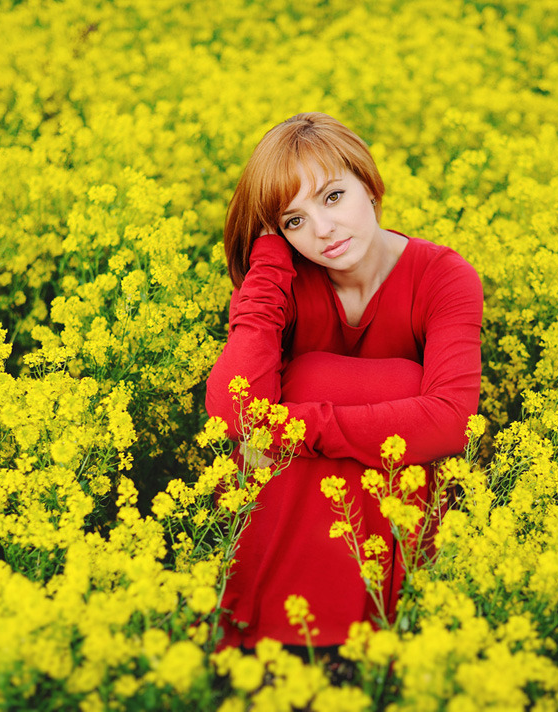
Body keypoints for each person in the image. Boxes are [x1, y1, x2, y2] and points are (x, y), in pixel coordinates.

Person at [205, 112, 483, 652]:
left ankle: (322, 639)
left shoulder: (443, 276)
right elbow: (234, 411)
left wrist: (295, 424)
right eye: (293, 221)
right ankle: (289, 639)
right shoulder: (283, 278)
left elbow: (451, 422)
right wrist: (265, 264)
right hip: (288, 520)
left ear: (369, 185)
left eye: (332, 197)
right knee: (347, 377)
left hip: (396, 510)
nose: (323, 231)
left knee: (319, 376)